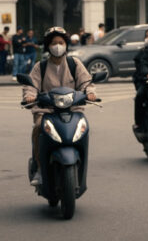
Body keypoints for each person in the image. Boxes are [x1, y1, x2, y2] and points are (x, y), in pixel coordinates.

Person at [22, 27, 97, 186]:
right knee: (37, 128)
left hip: (72, 111)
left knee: (84, 130)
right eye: (54, 43)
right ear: (48, 46)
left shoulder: (74, 64)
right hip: (46, 111)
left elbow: (86, 82)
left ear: (66, 45)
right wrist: (30, 96)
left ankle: (80, 168)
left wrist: (90, 92)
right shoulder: (39, 67)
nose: (57, 46)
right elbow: (31, 86)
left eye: (61, 42)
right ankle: (40, 169)